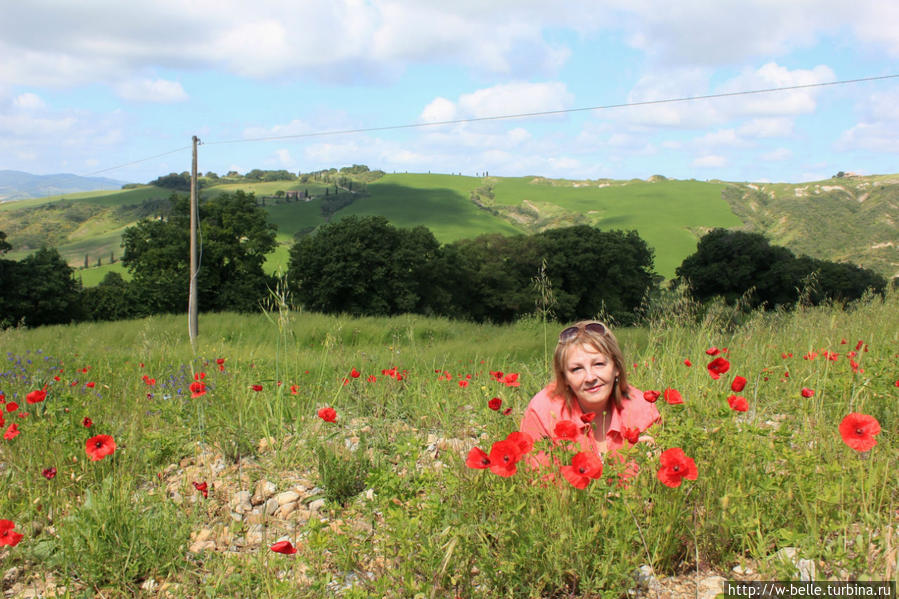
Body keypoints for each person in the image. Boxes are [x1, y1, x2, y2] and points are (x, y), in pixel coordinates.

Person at [520, 321, 659, 457]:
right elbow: (540, 475)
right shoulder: (543, 411)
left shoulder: (643, 409)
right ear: (565, 378)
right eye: (577, 369)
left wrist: (651, 468)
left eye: (598, 364)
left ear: (616, 367)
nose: (590, 377)